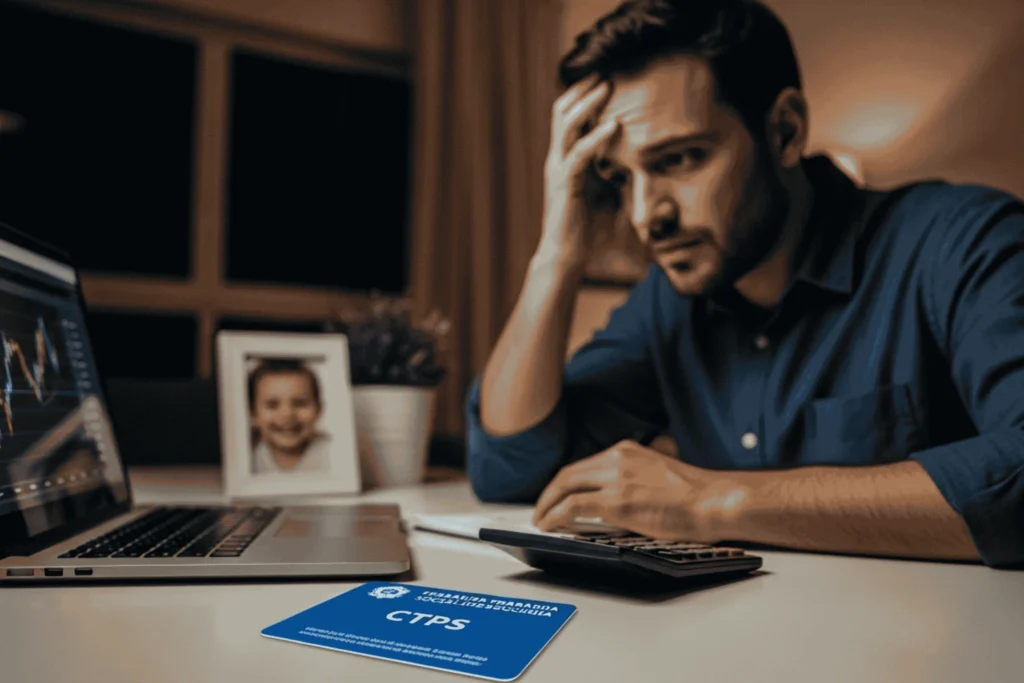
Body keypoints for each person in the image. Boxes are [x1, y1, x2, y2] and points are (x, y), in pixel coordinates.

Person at [465, 0, 1024, 568]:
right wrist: (557, 255)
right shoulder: (669, 304)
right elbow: (509, 467)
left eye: (679, 159)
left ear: (784, 130)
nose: (643, 216)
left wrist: (714, 500)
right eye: (619, 178)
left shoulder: (962, 239)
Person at [248, 358, 331, 475]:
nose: (287, 414)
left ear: (319, 409)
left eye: (300, 403)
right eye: (272, 405)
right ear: (253, 413)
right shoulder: (249, 460)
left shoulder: (332, 454)